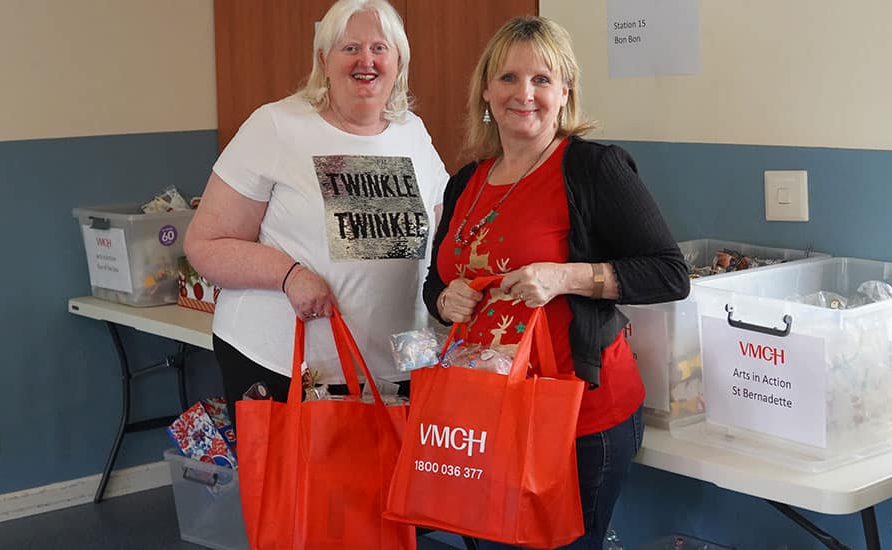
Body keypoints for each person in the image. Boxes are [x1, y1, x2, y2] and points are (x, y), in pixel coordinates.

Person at [422, 16, 689, 550]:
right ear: (486, 90)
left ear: (565, 91)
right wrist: (444, 298)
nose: (525, 93)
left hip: (577, 416)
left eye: (542, 79)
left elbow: (668, 272)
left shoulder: (592, 169)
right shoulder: (466, 181)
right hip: (488, 410)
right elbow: (436, 279)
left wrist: (566, 276)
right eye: (508, 78)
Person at [185, 0, 448, 422]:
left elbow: (445, 228)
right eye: (350, 49)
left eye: (380, 48)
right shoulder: (276, 126)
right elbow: (205, 244)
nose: (367, 60)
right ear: (324, 60)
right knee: (298, 490)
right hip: (282, 369)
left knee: (387, 489)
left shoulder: (411, 132)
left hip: (396, 370)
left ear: (398, 61)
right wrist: (289, 275)